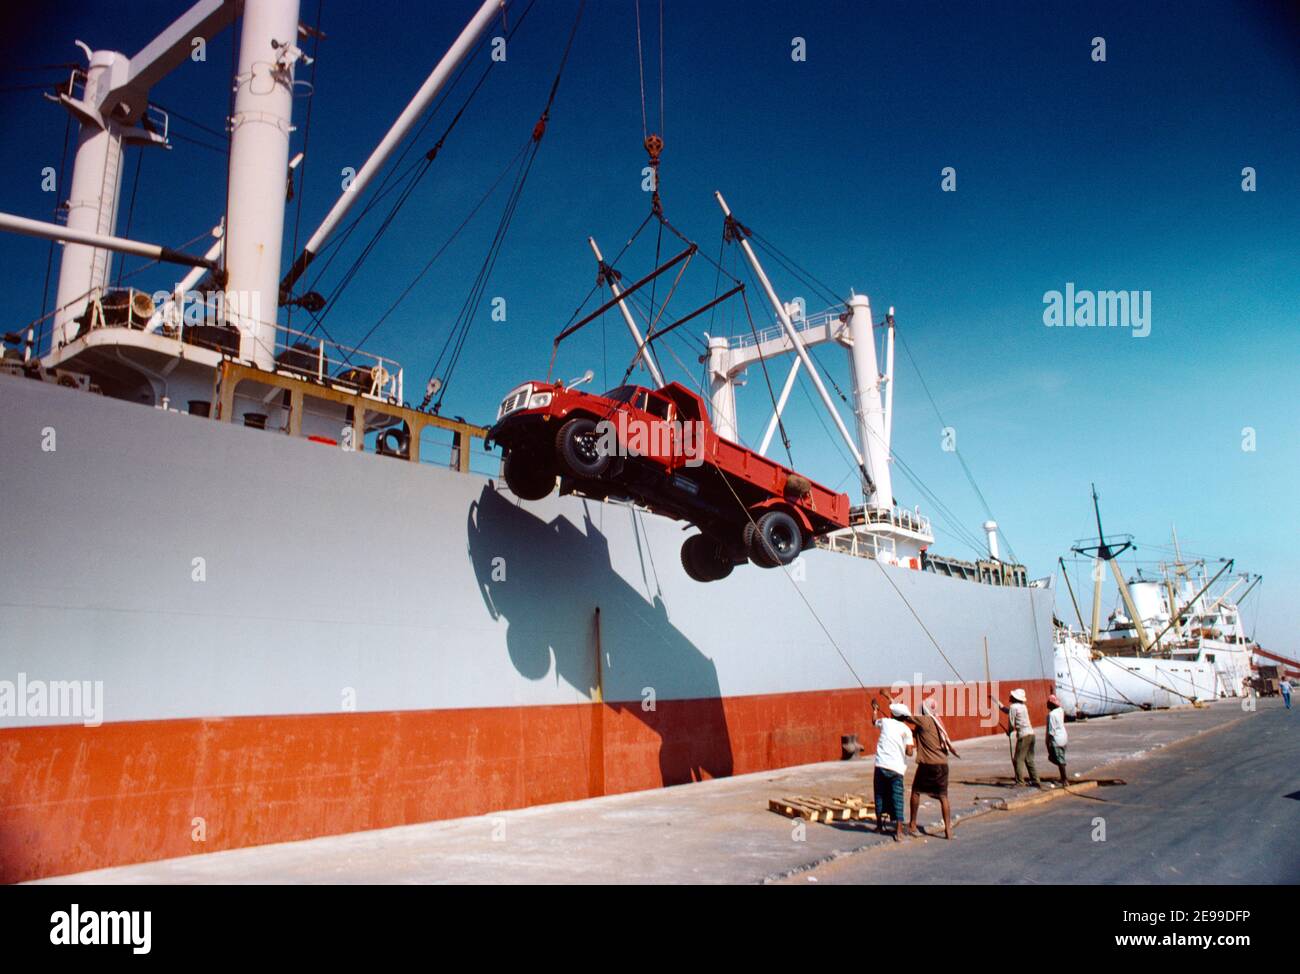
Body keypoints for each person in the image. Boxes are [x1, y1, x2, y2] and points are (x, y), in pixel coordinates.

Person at [907, 698, 959, 840]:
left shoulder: (924, 720)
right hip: (942, 764)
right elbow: (924, 734)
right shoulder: (937, 721)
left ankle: (912, 824)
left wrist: (889, 699)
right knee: (943, 797)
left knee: (916, 792)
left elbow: (904, 715)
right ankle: (948, 830)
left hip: (928, 764)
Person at [870, 698, 915, 841]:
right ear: (903, 717)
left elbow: (874, 721)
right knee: (898, 798)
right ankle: (898, 831)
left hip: (881, 765)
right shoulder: (906, 730)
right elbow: (909, 752)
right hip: (897, 769)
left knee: (879, 795)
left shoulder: (885, 722)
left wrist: (875, 709)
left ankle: (879, 826)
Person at [996, 688, 1041, 788]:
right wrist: (1000, 706)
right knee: (1029, 759)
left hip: (1023, 736)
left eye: (1012, 695)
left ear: (1015, 698)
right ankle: (1035, 780)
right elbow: (1011, 712)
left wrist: (1009, 731)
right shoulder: (1022, 707)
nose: (1010, 696)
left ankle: (1020, 782)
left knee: (1017, 759)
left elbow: (1011, 723)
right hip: (1031, 734)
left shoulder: (1013, 707)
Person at [1046, 694, 1068, 785]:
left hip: (1056, 739)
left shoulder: (1052, 714)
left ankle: (1064, 779)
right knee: (1060, 757)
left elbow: (1051, 731)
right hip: (1064, 737)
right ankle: (1063, 775)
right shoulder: (1060, 710)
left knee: (1056, 759)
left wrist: (1048, 743)